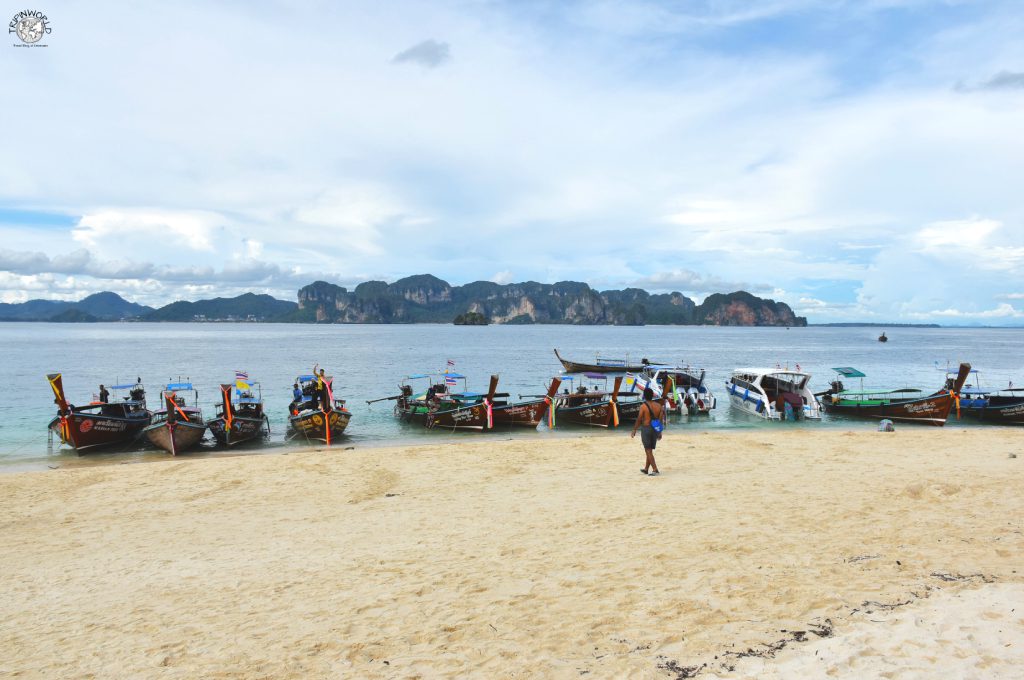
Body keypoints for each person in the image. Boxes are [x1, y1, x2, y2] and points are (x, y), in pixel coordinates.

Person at [630, 387, 665, 476]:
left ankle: (655, 469)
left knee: (648, 450)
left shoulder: (643, 406)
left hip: (646, 429)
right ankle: (646, 469)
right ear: (652, 395)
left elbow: (639, 419)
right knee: (649, 450)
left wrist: (634, 429)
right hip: (655, 429)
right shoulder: (659, 406)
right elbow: (660, 420)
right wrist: (659, 432)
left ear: (644, 396)